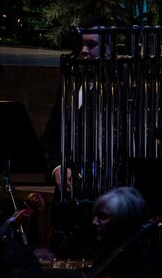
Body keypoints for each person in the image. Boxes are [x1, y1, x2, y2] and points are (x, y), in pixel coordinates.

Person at [39, 16, 106, 192]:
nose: (84, 51)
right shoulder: (68, 88)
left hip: (100, 192)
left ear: (107, 49)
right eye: (81, 45)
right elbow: (49, 139)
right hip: (66, 194)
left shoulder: (118, 92)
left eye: (91, 45)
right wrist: (56, 168)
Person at [89, 186, 162, 278]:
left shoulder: (143, 263)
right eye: (95, 216)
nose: (94, 222)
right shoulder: (105, 257)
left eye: (103, 216)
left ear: (123, 220)